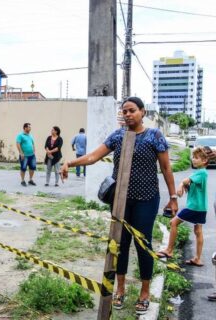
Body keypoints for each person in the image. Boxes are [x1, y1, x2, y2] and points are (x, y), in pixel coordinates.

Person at [60, 97, 177, 315]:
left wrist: (173, 197)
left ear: (142, 112)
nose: (127, 114)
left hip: (146, 199)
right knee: (119, 244)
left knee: (144, 245)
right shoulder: (118, 136)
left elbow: (166, 168)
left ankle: (144, 292)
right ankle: (120, 289)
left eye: (132, 110)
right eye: (124, 111)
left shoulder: (154, 136)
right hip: (120, 200)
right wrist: (69, 162)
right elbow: (93, 156)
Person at [157, 147, 209, 267]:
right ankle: (197, 258)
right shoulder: (201, 173)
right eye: (193, 157)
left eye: (196, 158)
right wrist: (185, 187)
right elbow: (191, 184)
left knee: (173, 223)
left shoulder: (201, 172)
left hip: (194, 207)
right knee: (198, 231)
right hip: (201, 207)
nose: (193, 160)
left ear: (205, 160)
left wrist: (181, 185)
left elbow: (186, 180)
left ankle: (169, 250)